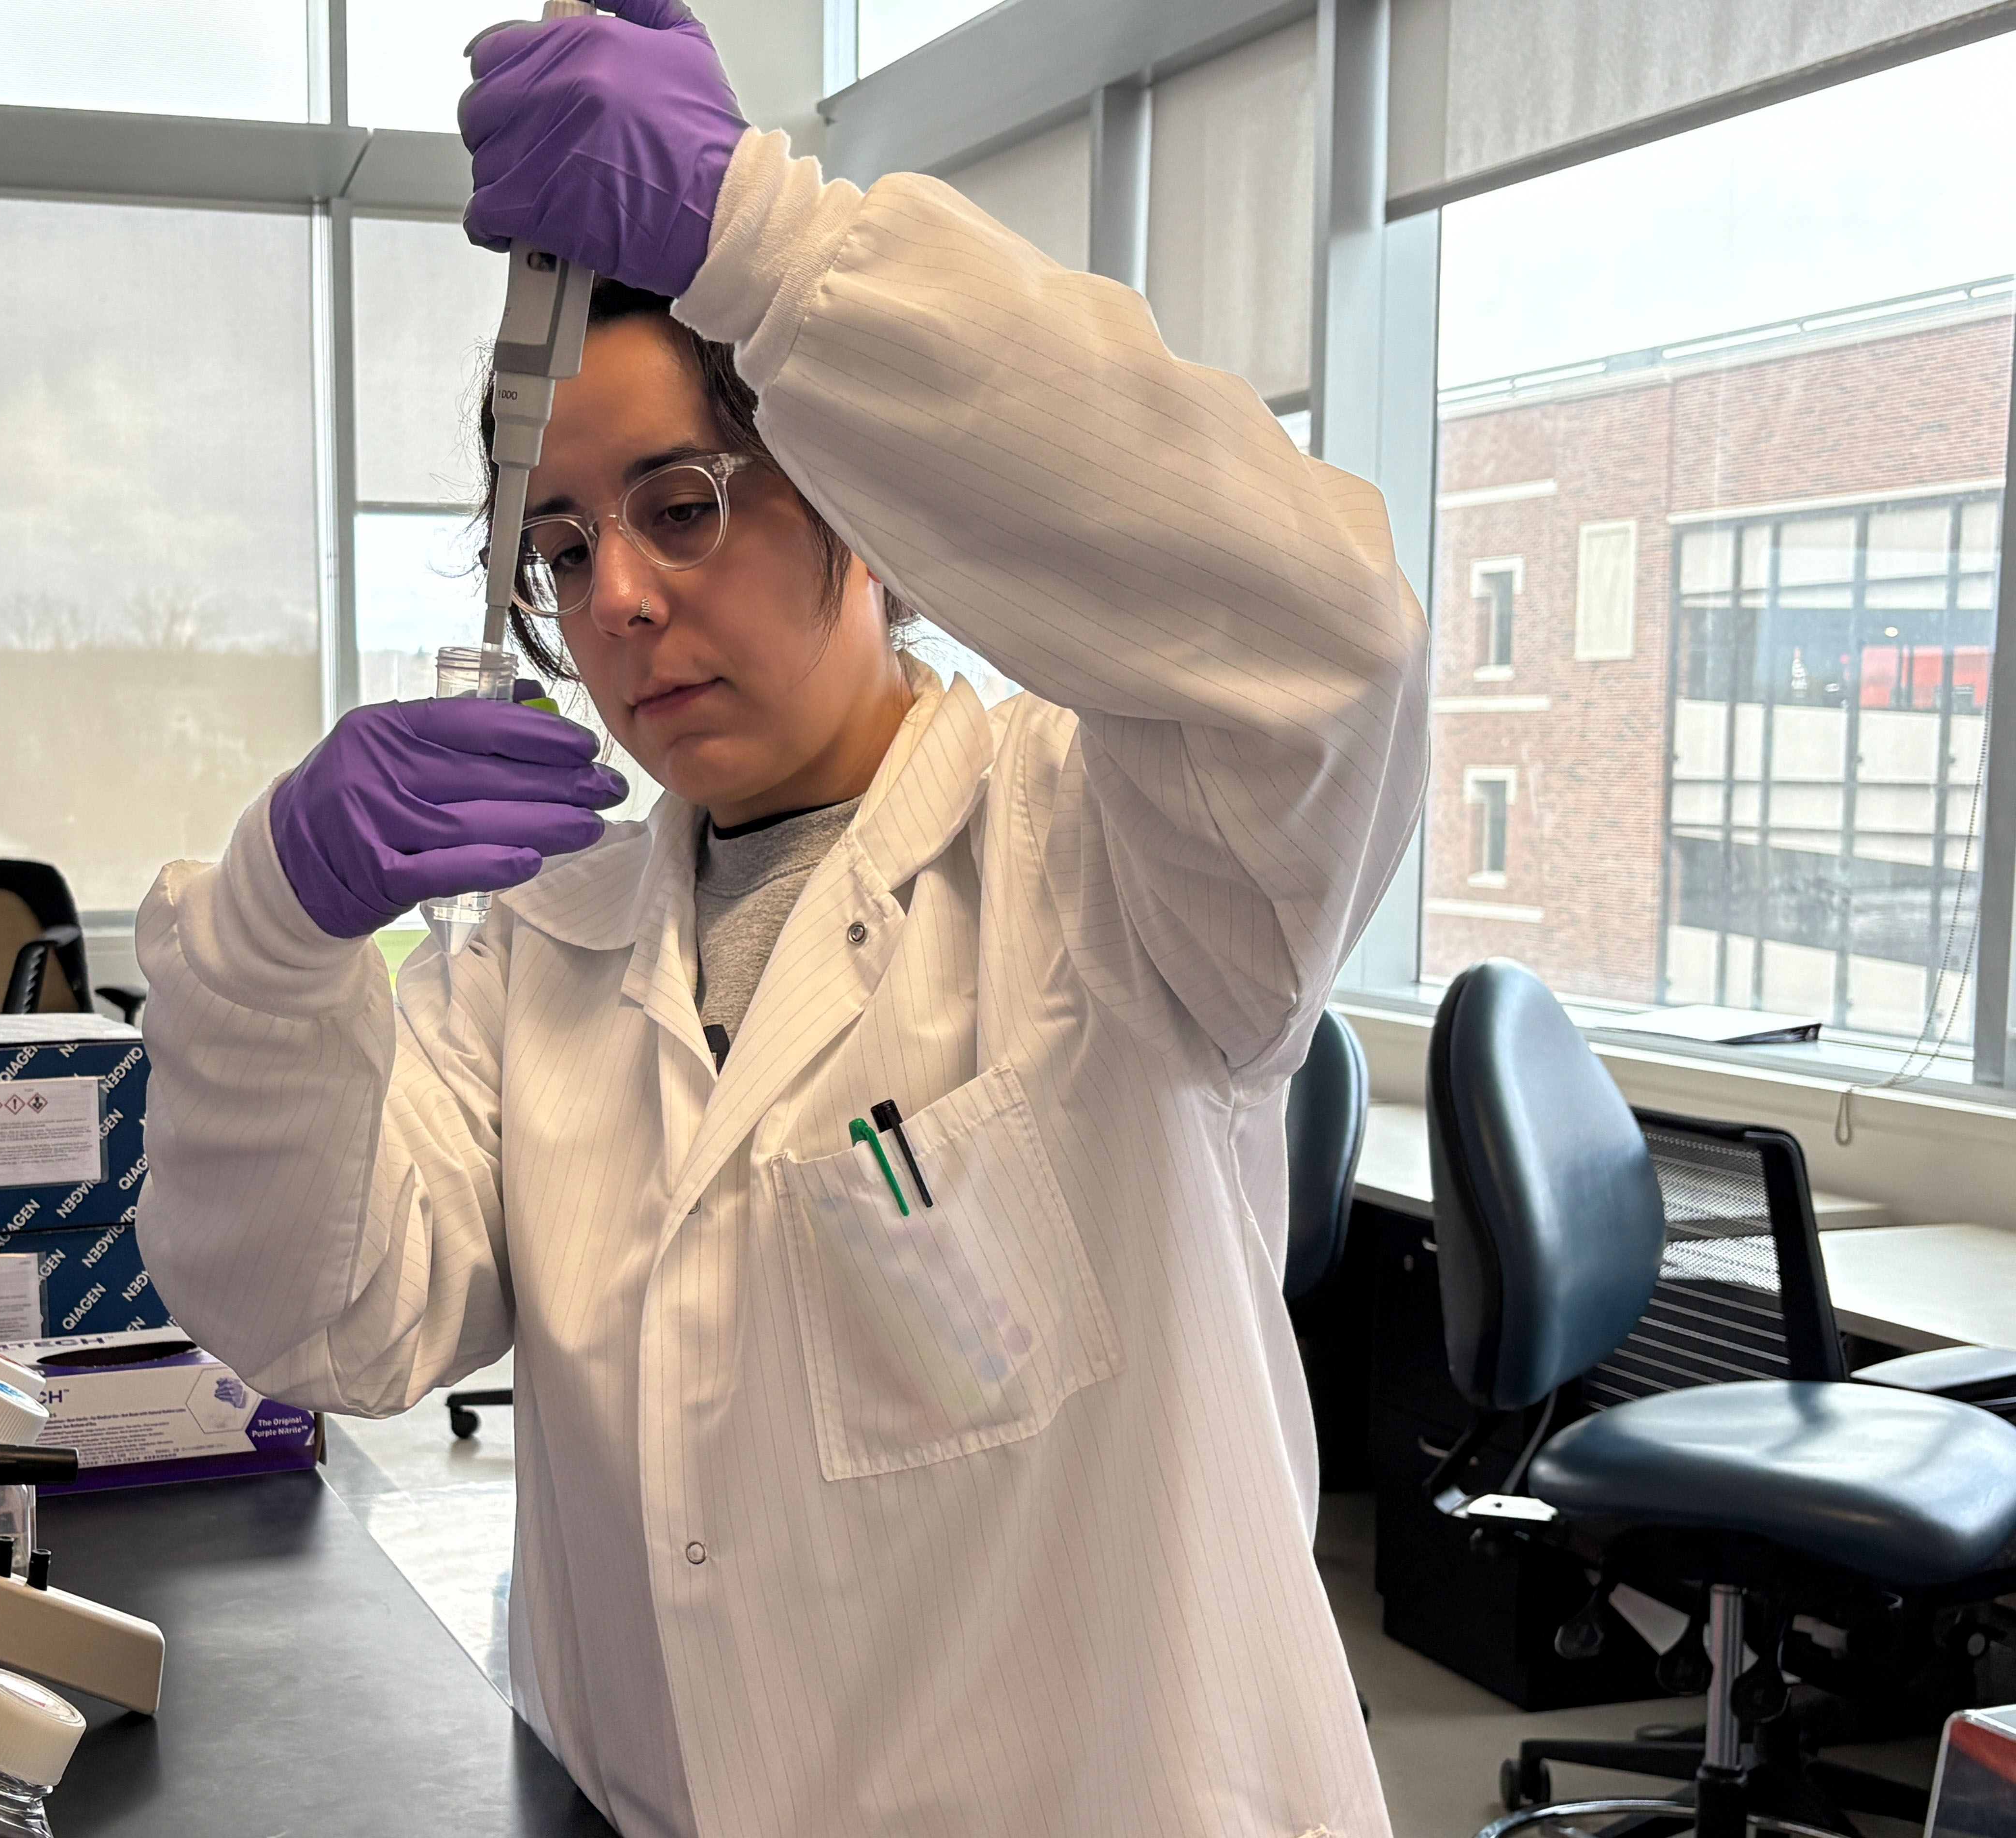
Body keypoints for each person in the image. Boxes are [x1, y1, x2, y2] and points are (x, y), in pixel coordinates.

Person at [134, 3, 1428, 1832]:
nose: (622, 603)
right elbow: (332, 1324)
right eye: (565, 548)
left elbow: (1321, 632)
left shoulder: (1118, 861)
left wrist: (773, 246)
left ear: (875, 507)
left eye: (684, 505)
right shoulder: (549, 949)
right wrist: (274, 941)